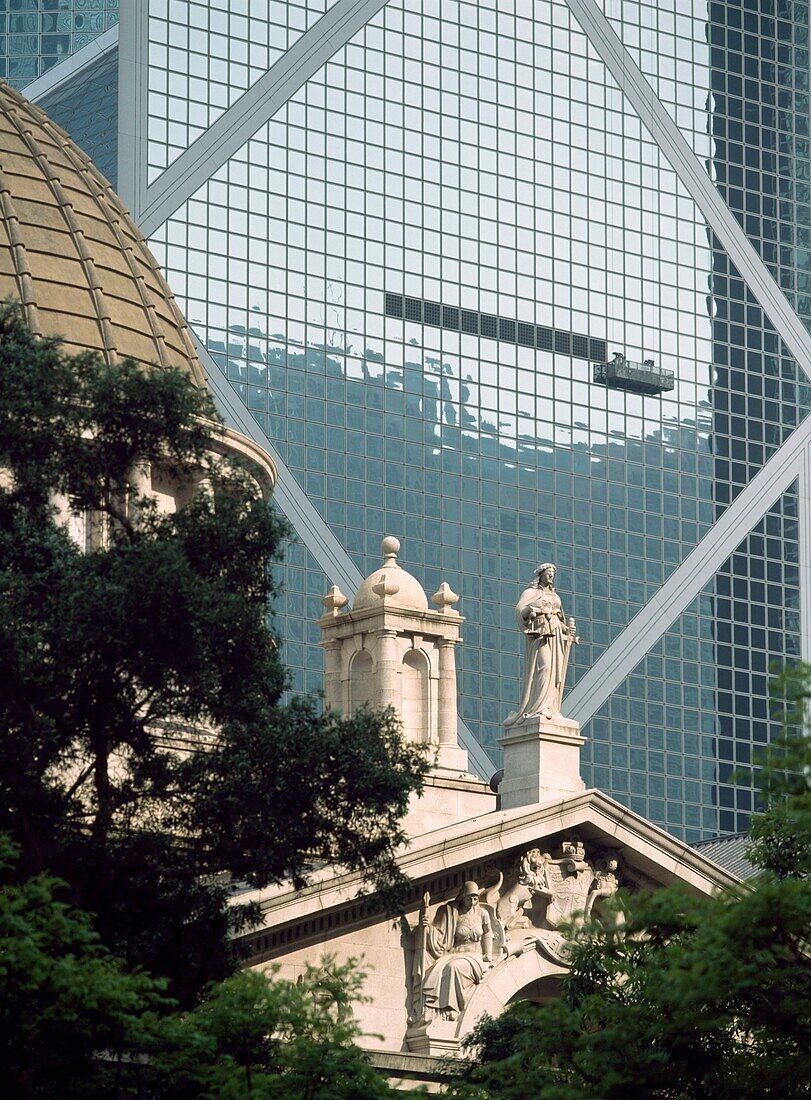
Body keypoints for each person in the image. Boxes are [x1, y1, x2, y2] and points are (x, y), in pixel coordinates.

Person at [504, 563, 574, 724]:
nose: (551, 576)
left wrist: (567, 630)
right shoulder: (530, 592)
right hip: (540, 633)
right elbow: (520, 612)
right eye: (548, 573)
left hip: (555, 633)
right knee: (545, 667)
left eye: (553, 574)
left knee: (554, 672)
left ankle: (551, 707)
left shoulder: (556, 597)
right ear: (540, 575)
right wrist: (532, 609)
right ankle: (538, 706)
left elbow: (561, 619)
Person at [419, 882, 493, 1021]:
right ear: (462, 897)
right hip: (455, 953)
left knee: (453, 968)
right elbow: (439, 933)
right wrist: (427, 927)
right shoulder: (453, 913)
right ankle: (437, 1009)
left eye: (475, 899)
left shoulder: (483, 913)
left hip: (475, 957)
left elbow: (488, 933)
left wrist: (488, 953)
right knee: (439, 969)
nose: (472, 902)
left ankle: (452, 1008)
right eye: (469, 898)